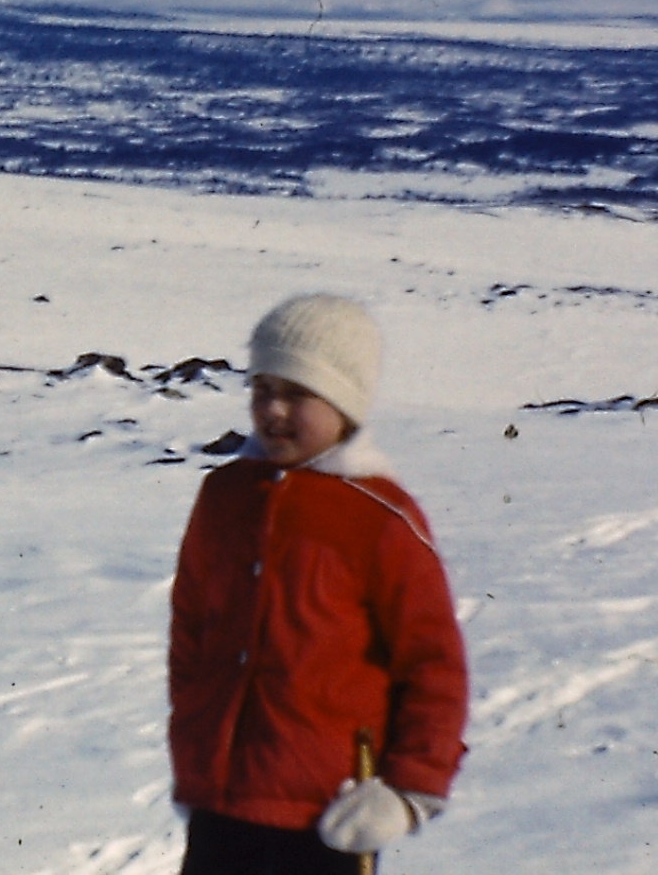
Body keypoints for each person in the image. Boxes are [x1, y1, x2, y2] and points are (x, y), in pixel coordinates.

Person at [167, 294, 468, 874]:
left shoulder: (382, 518)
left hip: (329, 818)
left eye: (297, 393)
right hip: (221, 807)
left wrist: (409, 792)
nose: (272, 410)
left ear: (345, 404)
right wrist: (195, 746)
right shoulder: (223, 497)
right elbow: (191, 636)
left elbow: (434, 667)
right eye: (261, 388)